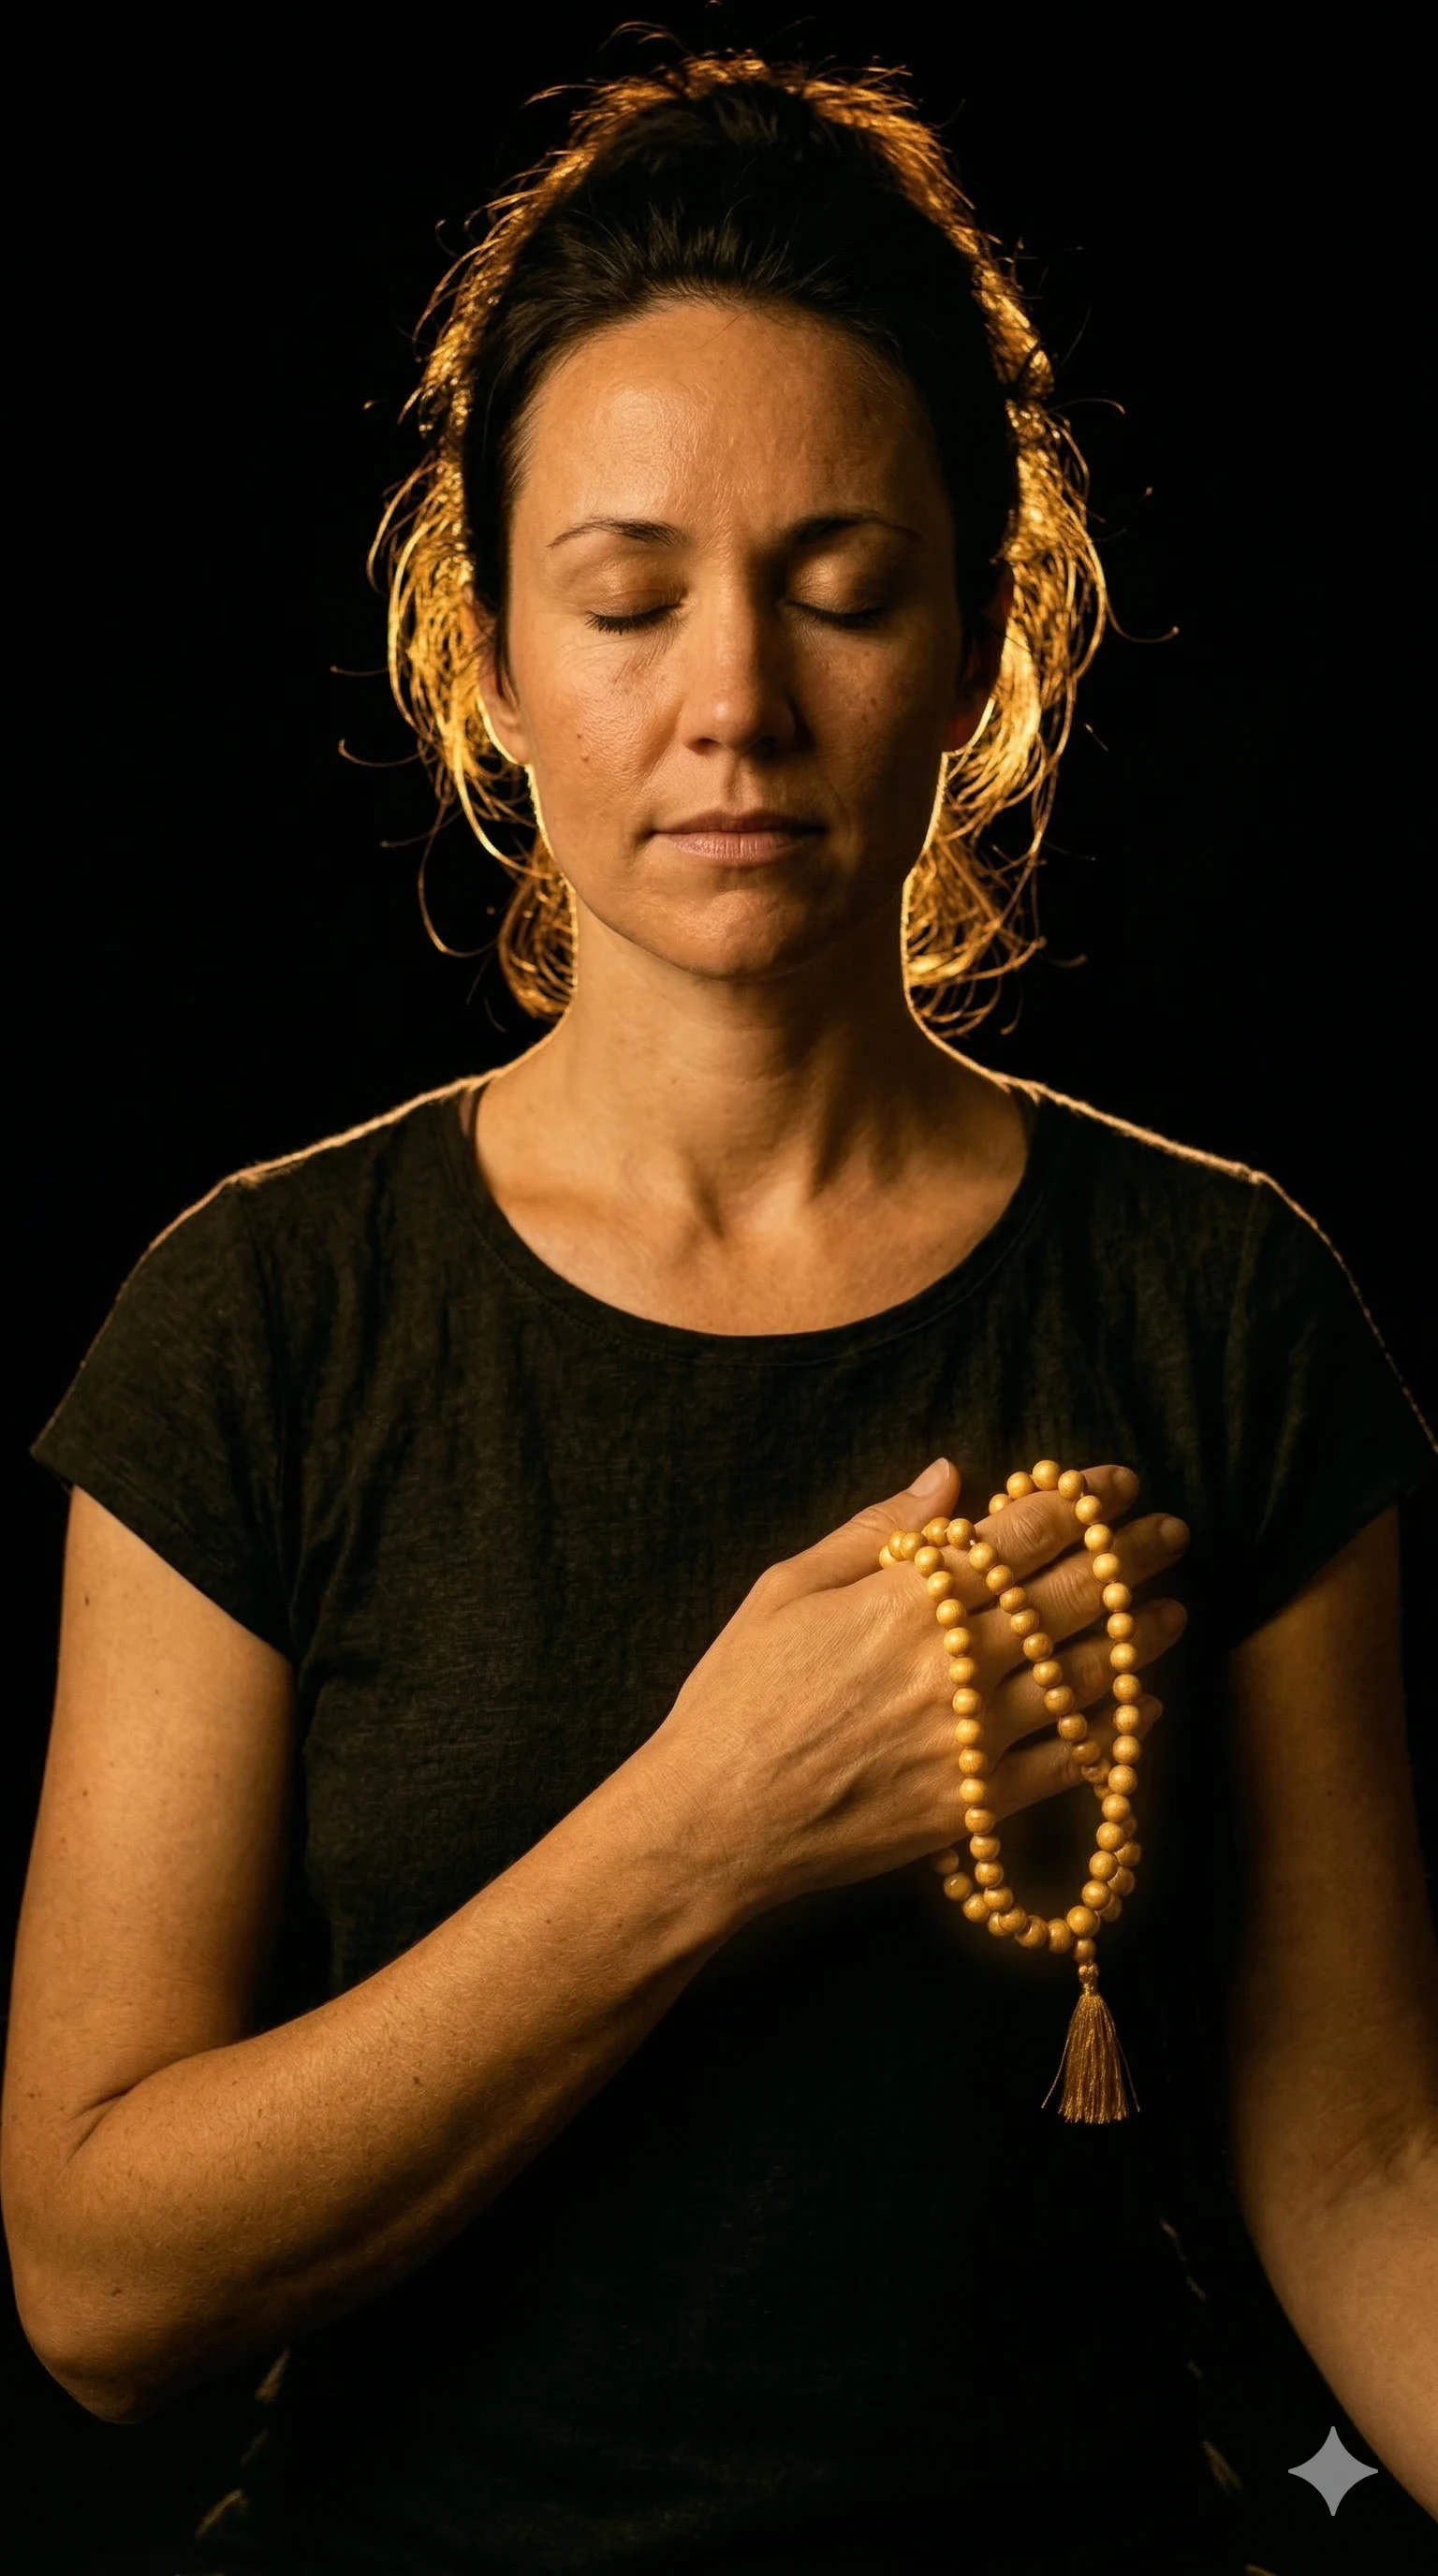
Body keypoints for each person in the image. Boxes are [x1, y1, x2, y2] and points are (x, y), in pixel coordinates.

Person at [5, 46, 1436, 2576]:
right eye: (629, 597)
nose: (737, 702)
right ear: (485, 652)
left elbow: (1365, 2162)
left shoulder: (1222, 1299)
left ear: (985, 636)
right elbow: (106, 2288)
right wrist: (715, 1821)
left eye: (844, 587)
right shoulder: (262, 1322)